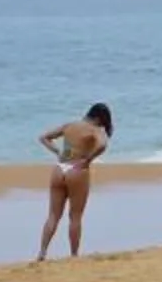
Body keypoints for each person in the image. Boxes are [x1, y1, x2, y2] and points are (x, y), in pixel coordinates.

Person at [35, 103, 114, 261]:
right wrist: (89, 159)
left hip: (59, 169)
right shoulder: (95, 130)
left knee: (53, 215)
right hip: (77, 170)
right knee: (75, 217)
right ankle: (74, 255)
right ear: (99, 119)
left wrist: (57, 151)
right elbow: (103, 145)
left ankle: (42, 252)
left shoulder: (70, 125)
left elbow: (43, 138)